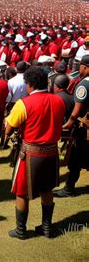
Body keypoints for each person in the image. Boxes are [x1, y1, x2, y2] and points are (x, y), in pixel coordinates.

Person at [5, 66, 65, 239]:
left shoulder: (23, 103)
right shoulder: (58, 101)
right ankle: (47, 227)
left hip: (30, 154)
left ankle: (21, 230)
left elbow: (9, 130)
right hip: (52, 152)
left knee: (21, 192)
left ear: (29, 84)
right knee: (47, 189)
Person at [55, 54, 89, 197]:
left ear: (85, 67)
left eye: (80, 65)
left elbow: (75, 113)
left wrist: (66, 125)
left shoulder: (84, 84)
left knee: (75, 158)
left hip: (84, 128)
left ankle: (69, 189)